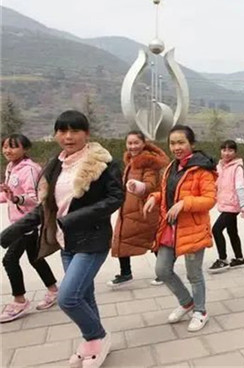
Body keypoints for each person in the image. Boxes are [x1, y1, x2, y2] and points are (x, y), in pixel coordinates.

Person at [0, 111, 124, 367]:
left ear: (86, 133)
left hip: (92, 240)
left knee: (68, 298)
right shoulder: (55, 164)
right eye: (62, 131)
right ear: (56, 134)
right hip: (66, 242)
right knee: (84, 295)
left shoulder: (103, 163)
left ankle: (98, 336)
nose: (68, 136)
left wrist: (73, 219)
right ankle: (94, 343)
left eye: (75, 130)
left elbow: (115, 198)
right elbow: (45, 208)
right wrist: (11, 232)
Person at [143, 125, 217, 332]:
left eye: (181, 142)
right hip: (170, 228)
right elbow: (169, 193)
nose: (176, 147)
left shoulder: (202, 170)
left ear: (191, 144)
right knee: (162, 270)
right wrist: (155, 197)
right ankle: (187, 302)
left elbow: (210, 199)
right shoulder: (171, 167)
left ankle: (200, 311)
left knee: (194, 274)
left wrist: (185, 203)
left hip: (193, 230)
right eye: (172, 143)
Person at [0, 134, 59, 323]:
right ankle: (53, 290)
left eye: (13, 147)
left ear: (25, 149)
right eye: (5, 147)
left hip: (28, 223)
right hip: (19, 222)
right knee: (35, 258)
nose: (7, 150)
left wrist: (17, 199)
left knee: (9, 260)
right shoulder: (11, 167)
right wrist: (8, 195)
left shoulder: (30, 170)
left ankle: (19, 301)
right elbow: (10, 195)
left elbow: (37, 199)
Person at [108, 131, 169, 287]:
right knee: (122, 239)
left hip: (144, 209)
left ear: (143, 143)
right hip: (129, 208)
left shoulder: (147, 162)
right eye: (130, 143)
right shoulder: (131, 161)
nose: (133, 146)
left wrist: (138, 186)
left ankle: (164, 272)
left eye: (136, 143)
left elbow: (150, 184)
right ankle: (125, 273)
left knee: (153, 240)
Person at [208, 140, 244, 273]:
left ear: (235, 152)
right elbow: (215, 183)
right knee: (232, 231)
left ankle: (222, 260)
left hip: (232, 205)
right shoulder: (219, 166)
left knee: (216, 230)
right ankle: (239, 259)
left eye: (230, 150)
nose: (226, 153)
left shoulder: (237, 167)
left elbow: (240, 186)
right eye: (224, 150)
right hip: (224, 204)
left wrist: (243, 205)